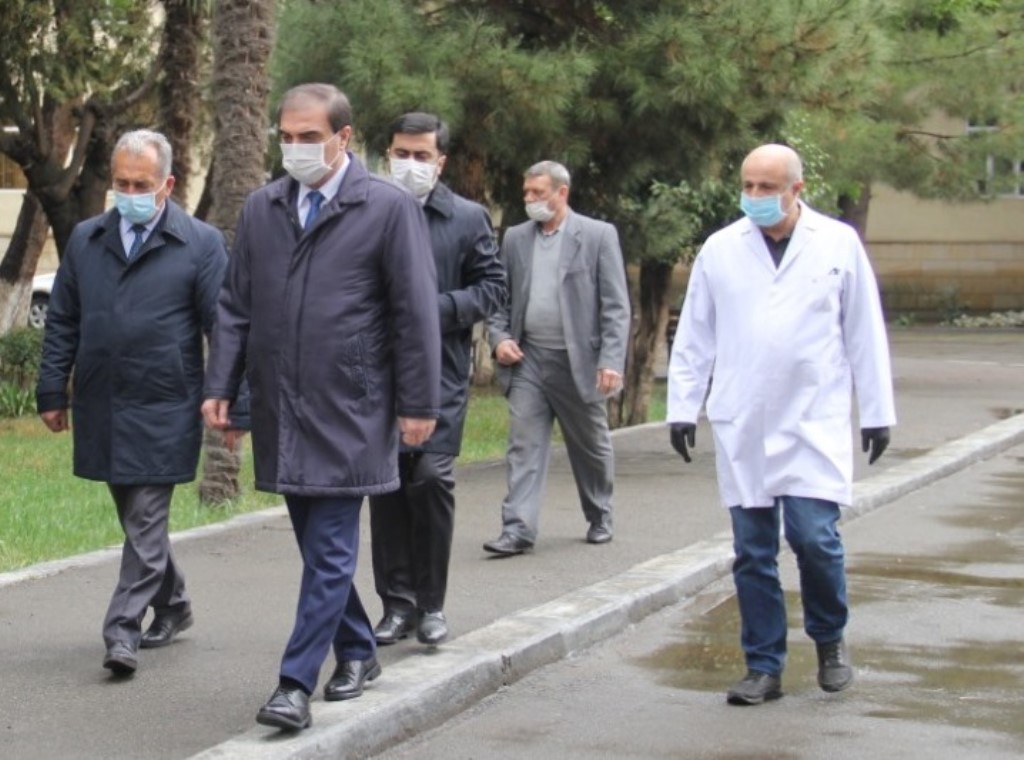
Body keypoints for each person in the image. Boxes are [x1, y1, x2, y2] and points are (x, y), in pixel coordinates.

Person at [201, 84, 441, 733]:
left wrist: (419, 401)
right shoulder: (264, 208)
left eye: (310, 137)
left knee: (330, 548)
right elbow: (236, 306)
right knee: (317, 548)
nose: (296, 148)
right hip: (282, 406)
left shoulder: (387, 208)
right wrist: (222, 386)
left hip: (352, 407)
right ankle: (358, 649)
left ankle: (293, 684)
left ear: (343, 138)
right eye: (287, 137)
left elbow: (414, 312)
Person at [666, 143, 896, 706]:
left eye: (767, 187)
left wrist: (877, 412)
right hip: (743, 417)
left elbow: (864, 329)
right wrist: (682, 406)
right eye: (748, 185)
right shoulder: (721, 249)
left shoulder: (837, 242)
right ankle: (763, 666)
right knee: (752, 551)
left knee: (814, 538)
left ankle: (830, 640)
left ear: (797, 189)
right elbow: (696, 333)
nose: (755, 197)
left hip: (812, 416)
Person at [36, 129, 233, 676]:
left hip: (166, 402)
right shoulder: (87, 239)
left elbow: (223, 327)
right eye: (121, 183)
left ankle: (121, 630)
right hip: (102, 400)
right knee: (135, 518)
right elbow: (63, 319)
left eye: (140, 185)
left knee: (145, 518)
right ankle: (174, 603)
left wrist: (228, 395)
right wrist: (52, 389)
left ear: (167, 184)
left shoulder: (200, 243)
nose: (128, 193)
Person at [368, 113, 506, 647]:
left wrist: (435, 308)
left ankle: (431, 604)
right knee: (386, 485)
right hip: (377, 370)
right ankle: (396, 604)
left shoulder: (467, 218)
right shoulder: (369, 208)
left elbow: (492, 289)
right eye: (401, 153)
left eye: (421, 156)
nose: (410, 164)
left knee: (429, 478)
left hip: (439, 371)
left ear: (440, 162)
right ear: (388, 153)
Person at [484, 160, 630, 556]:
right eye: (526, 192)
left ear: (561, 193)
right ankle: (518, 529)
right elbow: (499, 297)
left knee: (591, 447)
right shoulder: (516, 238)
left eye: (538, 192)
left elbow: (616, 306)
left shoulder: (598, 236)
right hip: (528, 360)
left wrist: (611, 360)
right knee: (523, 445)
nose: (529, 199)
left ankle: (600, 513)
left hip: (578, 361)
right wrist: (499, 338)